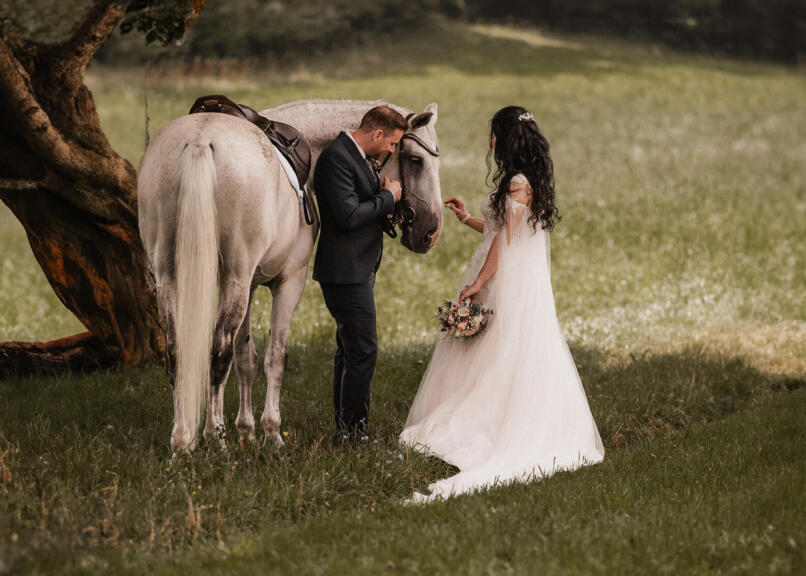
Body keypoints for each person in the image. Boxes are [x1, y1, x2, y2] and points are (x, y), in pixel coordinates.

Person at [400, 106, 605, 501]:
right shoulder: (522, 182)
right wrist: (465, 220)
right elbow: (500, 229)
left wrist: (479, 280)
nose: (490, 141)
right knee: (481, 346)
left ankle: (489, 423)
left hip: (502, 278)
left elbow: (505, 242)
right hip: (498, 271)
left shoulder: (518, 183)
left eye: (493, 134)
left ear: (505, 137)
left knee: (498, 347)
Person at [314, 105, 405, 444]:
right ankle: (354, 433)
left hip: (356, 268)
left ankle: (345, 427)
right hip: (344, 272)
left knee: (350, 350)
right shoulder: (338, 157)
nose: (392, 150)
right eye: (393, 143)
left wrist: (385, 200)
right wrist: (387, 196)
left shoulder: (356, 156)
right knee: (363, 350)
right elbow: (347, 216)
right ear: (377, 134)